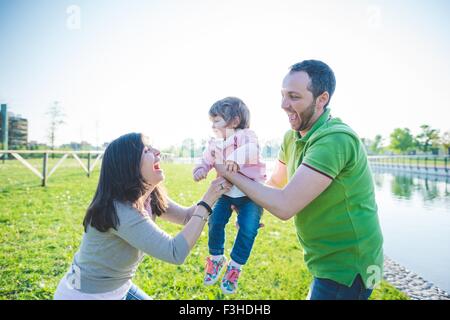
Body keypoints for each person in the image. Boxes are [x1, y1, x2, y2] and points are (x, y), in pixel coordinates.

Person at [215, 60, 384, 300]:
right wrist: (250, 208)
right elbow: (275, 182)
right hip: (324, 259)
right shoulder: (291, 137)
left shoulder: (335, 140)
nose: (283, 105)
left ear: (321, 99)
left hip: (349, 265)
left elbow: (285, 205)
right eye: (283, 95)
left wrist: (229, 171)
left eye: (294, 97)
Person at [54, 132, 231, 300]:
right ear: (129, 165)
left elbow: (186, 216)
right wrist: (208, 200)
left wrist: (221, 195)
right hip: (85, 295)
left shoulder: (149, 196)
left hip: (119, 287)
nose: (157, 152)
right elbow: (175, 252)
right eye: (147, 150)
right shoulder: (121, 210)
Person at [193, 97, 266, 294]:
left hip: (251, 195)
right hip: (226, 193)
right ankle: (216, 258)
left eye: (217, 120)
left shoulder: (246, 135)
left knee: (249, 228)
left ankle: (235, 266)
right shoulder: (215, 144)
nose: (213, 125)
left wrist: (235, 157)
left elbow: (252, 150)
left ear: (234, 121)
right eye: (212, 121)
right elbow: (206, 159)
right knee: (215, 221)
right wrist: (201, 168)